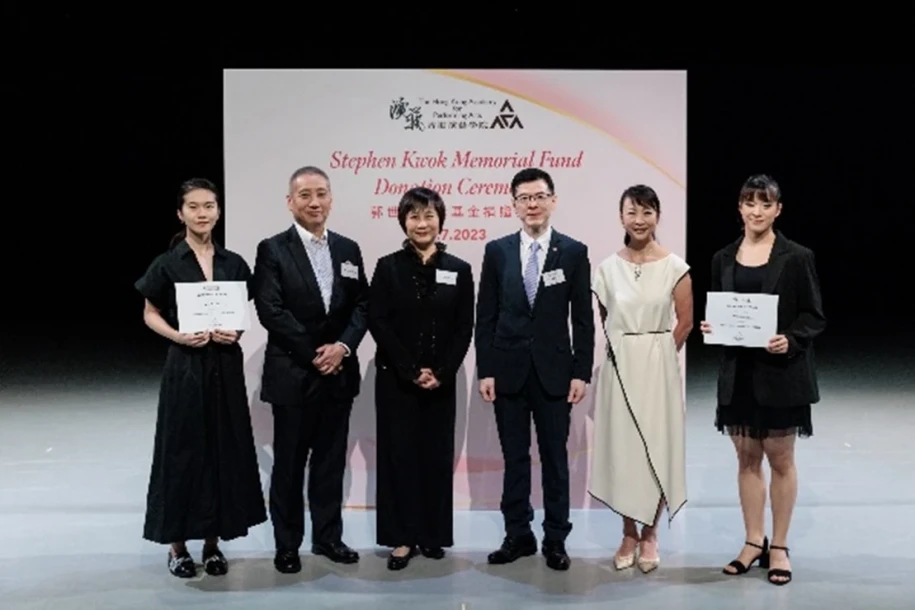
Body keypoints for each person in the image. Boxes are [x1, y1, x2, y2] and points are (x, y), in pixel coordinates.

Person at [134, 178, 267, 578]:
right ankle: (177, 547)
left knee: (223, 448)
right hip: (186, 366)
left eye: (209, 205)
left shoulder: (233, 263)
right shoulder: (167, 262)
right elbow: (150, 312)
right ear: (181, 213)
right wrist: (177, 335)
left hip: (224, 366)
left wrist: (236, 333)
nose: (202, 213)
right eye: (193, 207)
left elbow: (240, 314)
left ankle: (212, 544)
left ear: (218, 211)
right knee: (182, 450)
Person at [700, 174, 825, 586]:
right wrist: (710, 327)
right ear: (739, 207)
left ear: (778, 209)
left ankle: (780, 546)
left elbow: (813, 316)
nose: (756, 211)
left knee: (782, 460)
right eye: (749, 203)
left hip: (781, 375)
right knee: (746, 459)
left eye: (765, 204)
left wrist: (788, 340)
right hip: (739, 375)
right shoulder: (723, 257)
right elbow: (722, 310)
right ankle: (754, 541)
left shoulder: (796, 256)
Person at [475, 167, 594, 571]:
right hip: (507, 371)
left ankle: (556, 538)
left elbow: (582, 319)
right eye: (524, 198)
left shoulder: (574, 252)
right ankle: (518, 535)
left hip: (555, 375)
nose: (532, 204)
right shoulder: (497, 251)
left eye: (539, 196)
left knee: (556, 460)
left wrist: (581, 372)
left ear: (553, 200)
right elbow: (485, 315)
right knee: (514, 459)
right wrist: (485, 369)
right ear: (513, 205)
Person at [251, 166, 370, 574]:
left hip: (338, 376)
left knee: (330, 463)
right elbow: (271, 310)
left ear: (331, 199)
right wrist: (315, 352)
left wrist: (342, 348)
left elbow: (361, 306)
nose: (314, 202)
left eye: (321, 194)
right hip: (294, 376)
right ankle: (287, 544)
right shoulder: (272, 249)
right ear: (290, 202)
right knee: (288, 464)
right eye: (305, 195)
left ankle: (328, 537)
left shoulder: (349, 249)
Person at [368, 187, 475, 570]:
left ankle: (431, 535)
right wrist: (410, 370)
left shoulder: (459, 269)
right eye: (414, 216)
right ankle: (401, 538)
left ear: (440, 221)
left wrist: (440, 372)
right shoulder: (388, 266)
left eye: (429, 215)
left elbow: (465, 326)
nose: (422, 223)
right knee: (399, 457)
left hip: (441, 383)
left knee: (435, 455)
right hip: (397, 380)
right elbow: (377, 321)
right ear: (403, 222)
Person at [589, 185, 693, 574]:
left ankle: (650, 533)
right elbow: (605, 319)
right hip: (619, 368)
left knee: (657, 447)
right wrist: (627, 352)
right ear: (621, 217)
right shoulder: (606, 269)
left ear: (657, 217)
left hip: (659, 369)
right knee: (624, 450)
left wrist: (659, 357)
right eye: (632, 212)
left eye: (647, 212)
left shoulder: (675, 267)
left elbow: (683, 323)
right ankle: (628, 531)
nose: (639, 220)